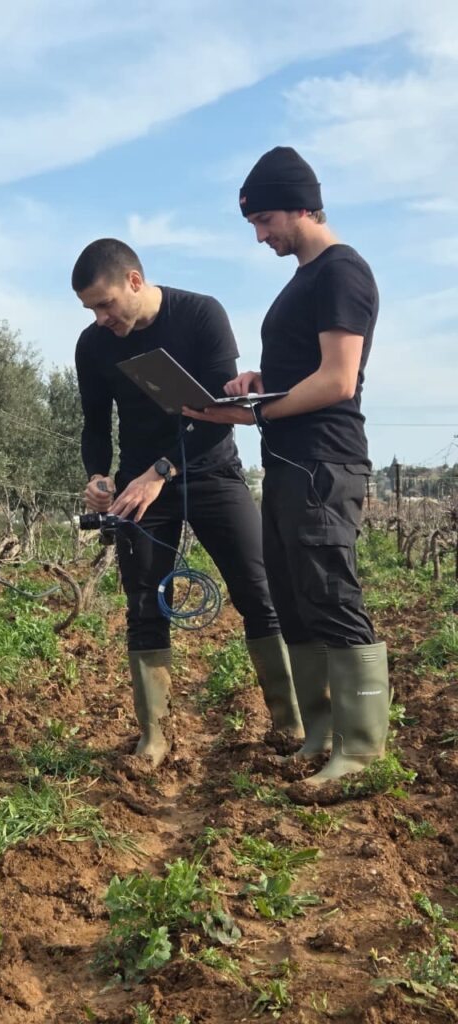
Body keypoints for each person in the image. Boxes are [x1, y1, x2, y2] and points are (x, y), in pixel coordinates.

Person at [184, 147, 388, 786]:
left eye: (266, 219)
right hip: (289, 465)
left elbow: (337, 380)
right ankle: (321, 734)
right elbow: (305, 371)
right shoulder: (303, 280)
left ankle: (361, 749)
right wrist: (259, 383)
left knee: (331, 595)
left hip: (324, 463)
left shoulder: (341, 273)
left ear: (303, 204)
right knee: (296, 602)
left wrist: (257, 414)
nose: (260, 235)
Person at [71, 238, 302, 767]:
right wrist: (100, 476)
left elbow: (218, 413)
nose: (101, 318)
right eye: (90, 309)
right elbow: (94, 423)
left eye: (105, 304)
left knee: (258, 592)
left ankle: (289, 722)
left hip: (211, 469)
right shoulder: (94, 346)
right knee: (144, 606)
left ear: (134, 281)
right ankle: (154, 737)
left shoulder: (200, 315)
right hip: (138, 486)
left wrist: (161, 471)